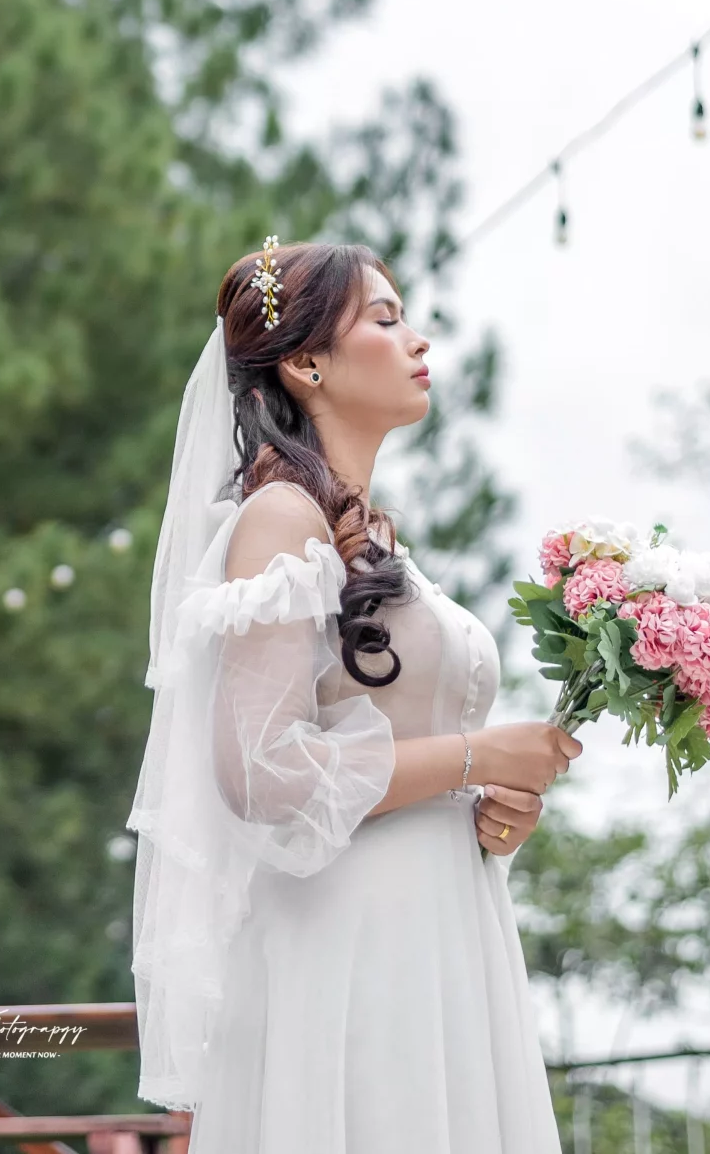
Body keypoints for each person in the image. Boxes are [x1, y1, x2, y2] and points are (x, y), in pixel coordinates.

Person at [127, 238, 581, 1154]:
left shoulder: (372, 537)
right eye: (385, 317)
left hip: (445, 930)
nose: (419, 339)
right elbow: (260, 769)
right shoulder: (280, 518)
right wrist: (478, 754)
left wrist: (489, 805)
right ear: (306, 363)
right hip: (349, 943)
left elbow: (393, 753)